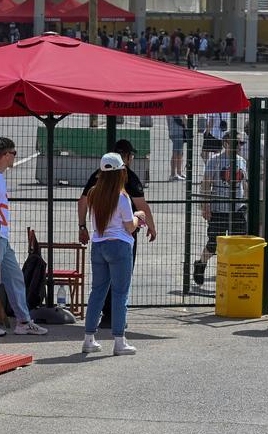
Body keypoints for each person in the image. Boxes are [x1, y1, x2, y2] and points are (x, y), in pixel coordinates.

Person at [79, 139, 157, 326]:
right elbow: (141, 208)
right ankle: (117, 325)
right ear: (127, 158)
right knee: (121, 284)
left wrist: (82, 226)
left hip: (100, 240)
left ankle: (94, 329)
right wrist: (149, 224)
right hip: (123, 239)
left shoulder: (96, 179)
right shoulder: (127, 182)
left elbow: (82, 201)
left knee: (98, 288)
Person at [0, 137, 48, 337]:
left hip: (1, 237)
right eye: (14, 153)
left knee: (14, 278)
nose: (15, 157)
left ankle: (23, 321)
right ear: (6, 155)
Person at [192, 133, 247, 286]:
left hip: (237, 209)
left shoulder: (241, 161)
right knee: (214, 242)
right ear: (226, 143)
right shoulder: (215, 160)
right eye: (236, 143)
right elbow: (206, 184)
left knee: (238, 242)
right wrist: (205, 205)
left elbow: (244, 184)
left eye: (241, 143)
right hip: (219, 208)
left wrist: (247, 202)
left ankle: (233, 274)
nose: (239, 146)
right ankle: (201, 263)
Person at [166, 115, 187, 181]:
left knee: (179, 153)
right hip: (178, 131)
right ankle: (173, 174)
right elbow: (184, 119)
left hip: (173, 131)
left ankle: (179, 173)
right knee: (176, 153)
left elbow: (168, 121)